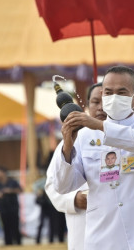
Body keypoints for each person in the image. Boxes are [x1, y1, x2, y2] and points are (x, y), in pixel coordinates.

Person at [52, 65, 134, 249]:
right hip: (103, 237)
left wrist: (100, 126)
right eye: (108, 92)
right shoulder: (85, 136)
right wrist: (68, 145)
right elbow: (62, 186)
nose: (114, 97)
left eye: (122, 92)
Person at [45, 82, 107, 250]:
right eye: (95, 102)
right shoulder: (73, 138)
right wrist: (73, 200)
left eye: (105, 101)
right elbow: (52, 185)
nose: (101, 107)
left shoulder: (124, 135)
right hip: (83, 226)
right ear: (86, 105)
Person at [0, 166, 22, 245]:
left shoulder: (12, 182)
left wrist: (10, 190)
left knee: (15, 226)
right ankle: (8, 243)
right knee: (5, 227)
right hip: (2, 209)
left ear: (3, 173)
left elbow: (20, 190)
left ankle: (18, 243)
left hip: (13, 208)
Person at [35, 180, 66, 244]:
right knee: (42, 224)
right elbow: (35, 188)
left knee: (52, 225)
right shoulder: (42, 184)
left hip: (52, 208)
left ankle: (51, 240)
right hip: (45, 207)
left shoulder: (55, 183)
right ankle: (38, 240)